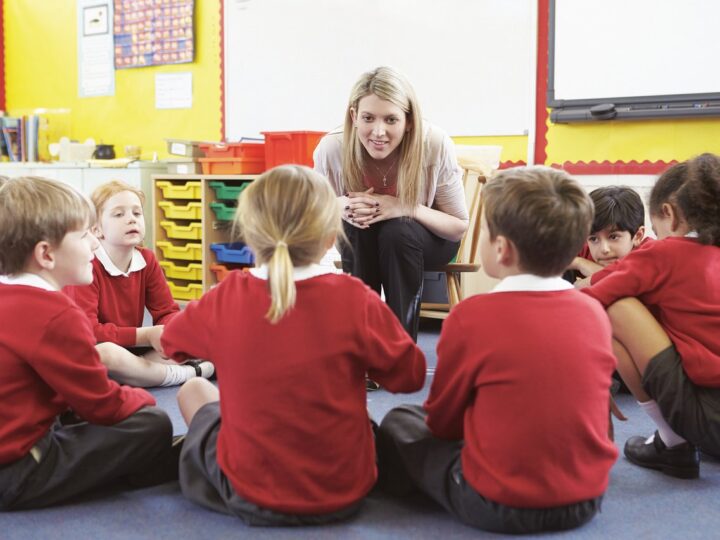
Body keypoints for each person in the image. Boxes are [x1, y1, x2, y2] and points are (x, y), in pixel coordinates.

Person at [161, 165, 426, 525]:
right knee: (364, 418)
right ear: (332, 237)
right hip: (345, 492)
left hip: (248, 494)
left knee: (194, 389)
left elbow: (172, 343)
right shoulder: (354, 297)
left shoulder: (227, 295)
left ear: (250, 238)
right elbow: (408, 378)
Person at [376, 166, 618, 534]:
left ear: (502, 249)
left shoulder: (472, 317)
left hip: (495, 503)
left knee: (400, 422)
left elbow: (443, 423)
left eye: (485, 231)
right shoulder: (593, 311)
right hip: (587, 499)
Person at [0, 176, 174, 510]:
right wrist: (143, 399)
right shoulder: (56, 313)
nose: (95, 245)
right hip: (18, 473)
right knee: (152, 424)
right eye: (84, 235)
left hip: (15, 443)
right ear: (46, 254)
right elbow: (103, 404)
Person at [583, 154, 720, 479]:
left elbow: (593, 296)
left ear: (667, 215)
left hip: (707, 417)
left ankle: (673, 444)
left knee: (616, 306)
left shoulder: (664, 252)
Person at [313, 66, 469, 342]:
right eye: (368, 118)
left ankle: (399, 348)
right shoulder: (332, 148)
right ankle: (362, 345)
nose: (379, 131)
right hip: (363, 238)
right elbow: (312, 214)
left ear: (408, 121)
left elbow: (457, 227)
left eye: (391, 120)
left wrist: (406, 207)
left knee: (398, 229)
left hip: (429, 239)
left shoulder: (434, 143)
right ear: (354, 116)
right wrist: (341, 206)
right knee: (357, 227)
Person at [65, 180, 214, 387]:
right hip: (95, 353)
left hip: (133, 350)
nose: (131, 220)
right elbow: (89, 331)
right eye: (119, 214)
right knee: (108, 354)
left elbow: (166, 311)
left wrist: (177, 331)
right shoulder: (87, 265)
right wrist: (145, 335)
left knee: (198, 331)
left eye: (137, 213)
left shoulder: (146, 259)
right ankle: (181, 374)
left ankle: (145, 372)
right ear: (96, 229)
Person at [565, 185, 651, 287]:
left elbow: (627, 283)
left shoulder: (651, 255)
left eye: (613, 237)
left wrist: (584, 275)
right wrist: (578, 262)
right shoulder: (584, 250)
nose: (604, 249)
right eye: (593, 239)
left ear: (638, 236)